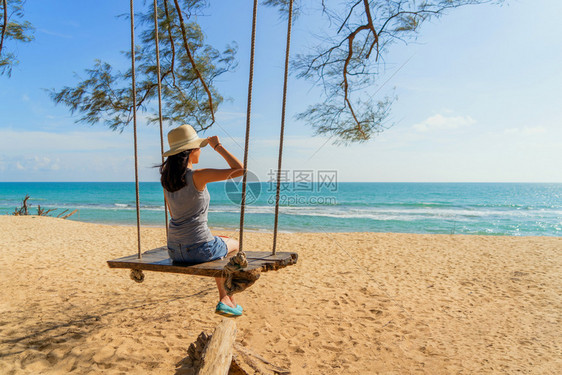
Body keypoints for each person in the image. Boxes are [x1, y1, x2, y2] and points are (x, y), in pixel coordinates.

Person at [160, 124, 244, 317]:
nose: (201, 151)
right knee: (235, 245)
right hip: (198, 250)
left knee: (220, 240)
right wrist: (218, 146)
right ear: (190, 152)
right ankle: (226, 297)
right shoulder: (198, 175)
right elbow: (239, 170)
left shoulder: (166, 180)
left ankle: (228, 300)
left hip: (174, 250)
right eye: (199, 147)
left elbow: (173, 213)